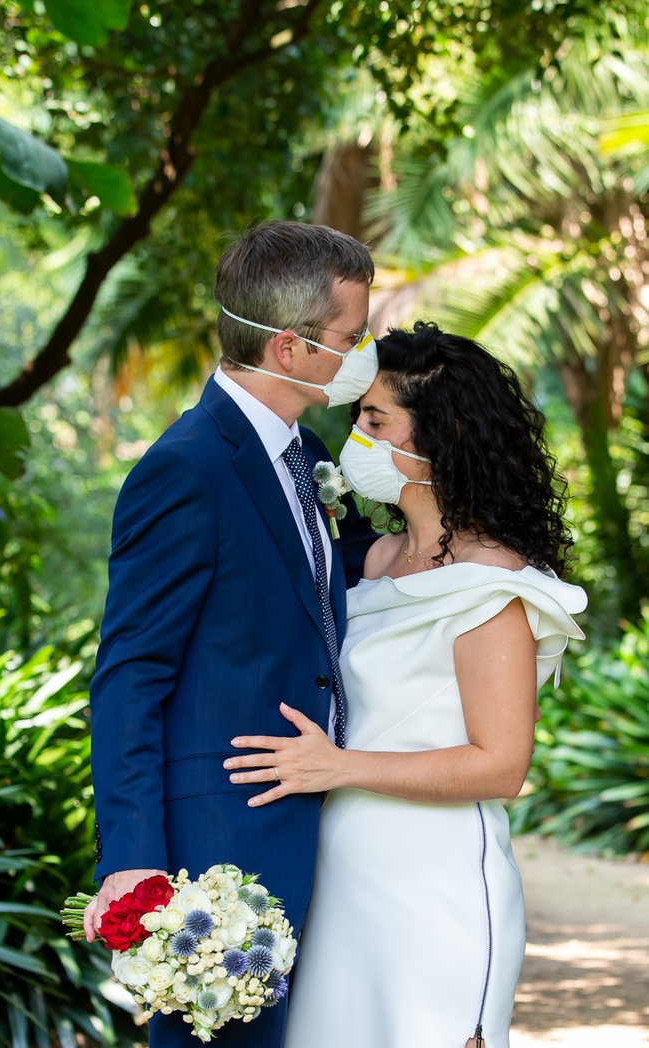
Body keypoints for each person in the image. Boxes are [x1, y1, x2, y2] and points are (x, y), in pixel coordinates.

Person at [225, 321, 587, 1048]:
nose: (354, 435)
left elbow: (502, 763)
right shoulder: (372, 559)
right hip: (342, 882)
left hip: (436, 887)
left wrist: (337, 765)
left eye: (375, 420)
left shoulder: (491, 586)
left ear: (440, 435)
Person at [84, 220, 379, 1047]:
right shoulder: (187, 466)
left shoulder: (306, 454)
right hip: (217, 854)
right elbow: (130, 675)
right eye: (350, 338)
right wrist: (133, 864)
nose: (362, 354)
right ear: (289, 348)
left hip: (312, 828)